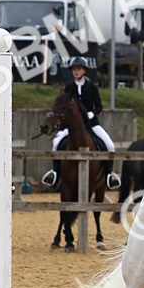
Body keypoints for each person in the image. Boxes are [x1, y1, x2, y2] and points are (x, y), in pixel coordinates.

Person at [42, 57, 121, 189]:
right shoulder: (69, 87)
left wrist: (92, 114)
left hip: (91, 124)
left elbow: (99, 106)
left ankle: (109, 175)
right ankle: (55, 173)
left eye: (79, 69)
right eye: (74, 69)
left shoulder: (91, 87)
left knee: (110, 145)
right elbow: (62, 104)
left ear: (84, 70)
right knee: (56, 143)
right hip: (71, 125)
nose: (76, 71)